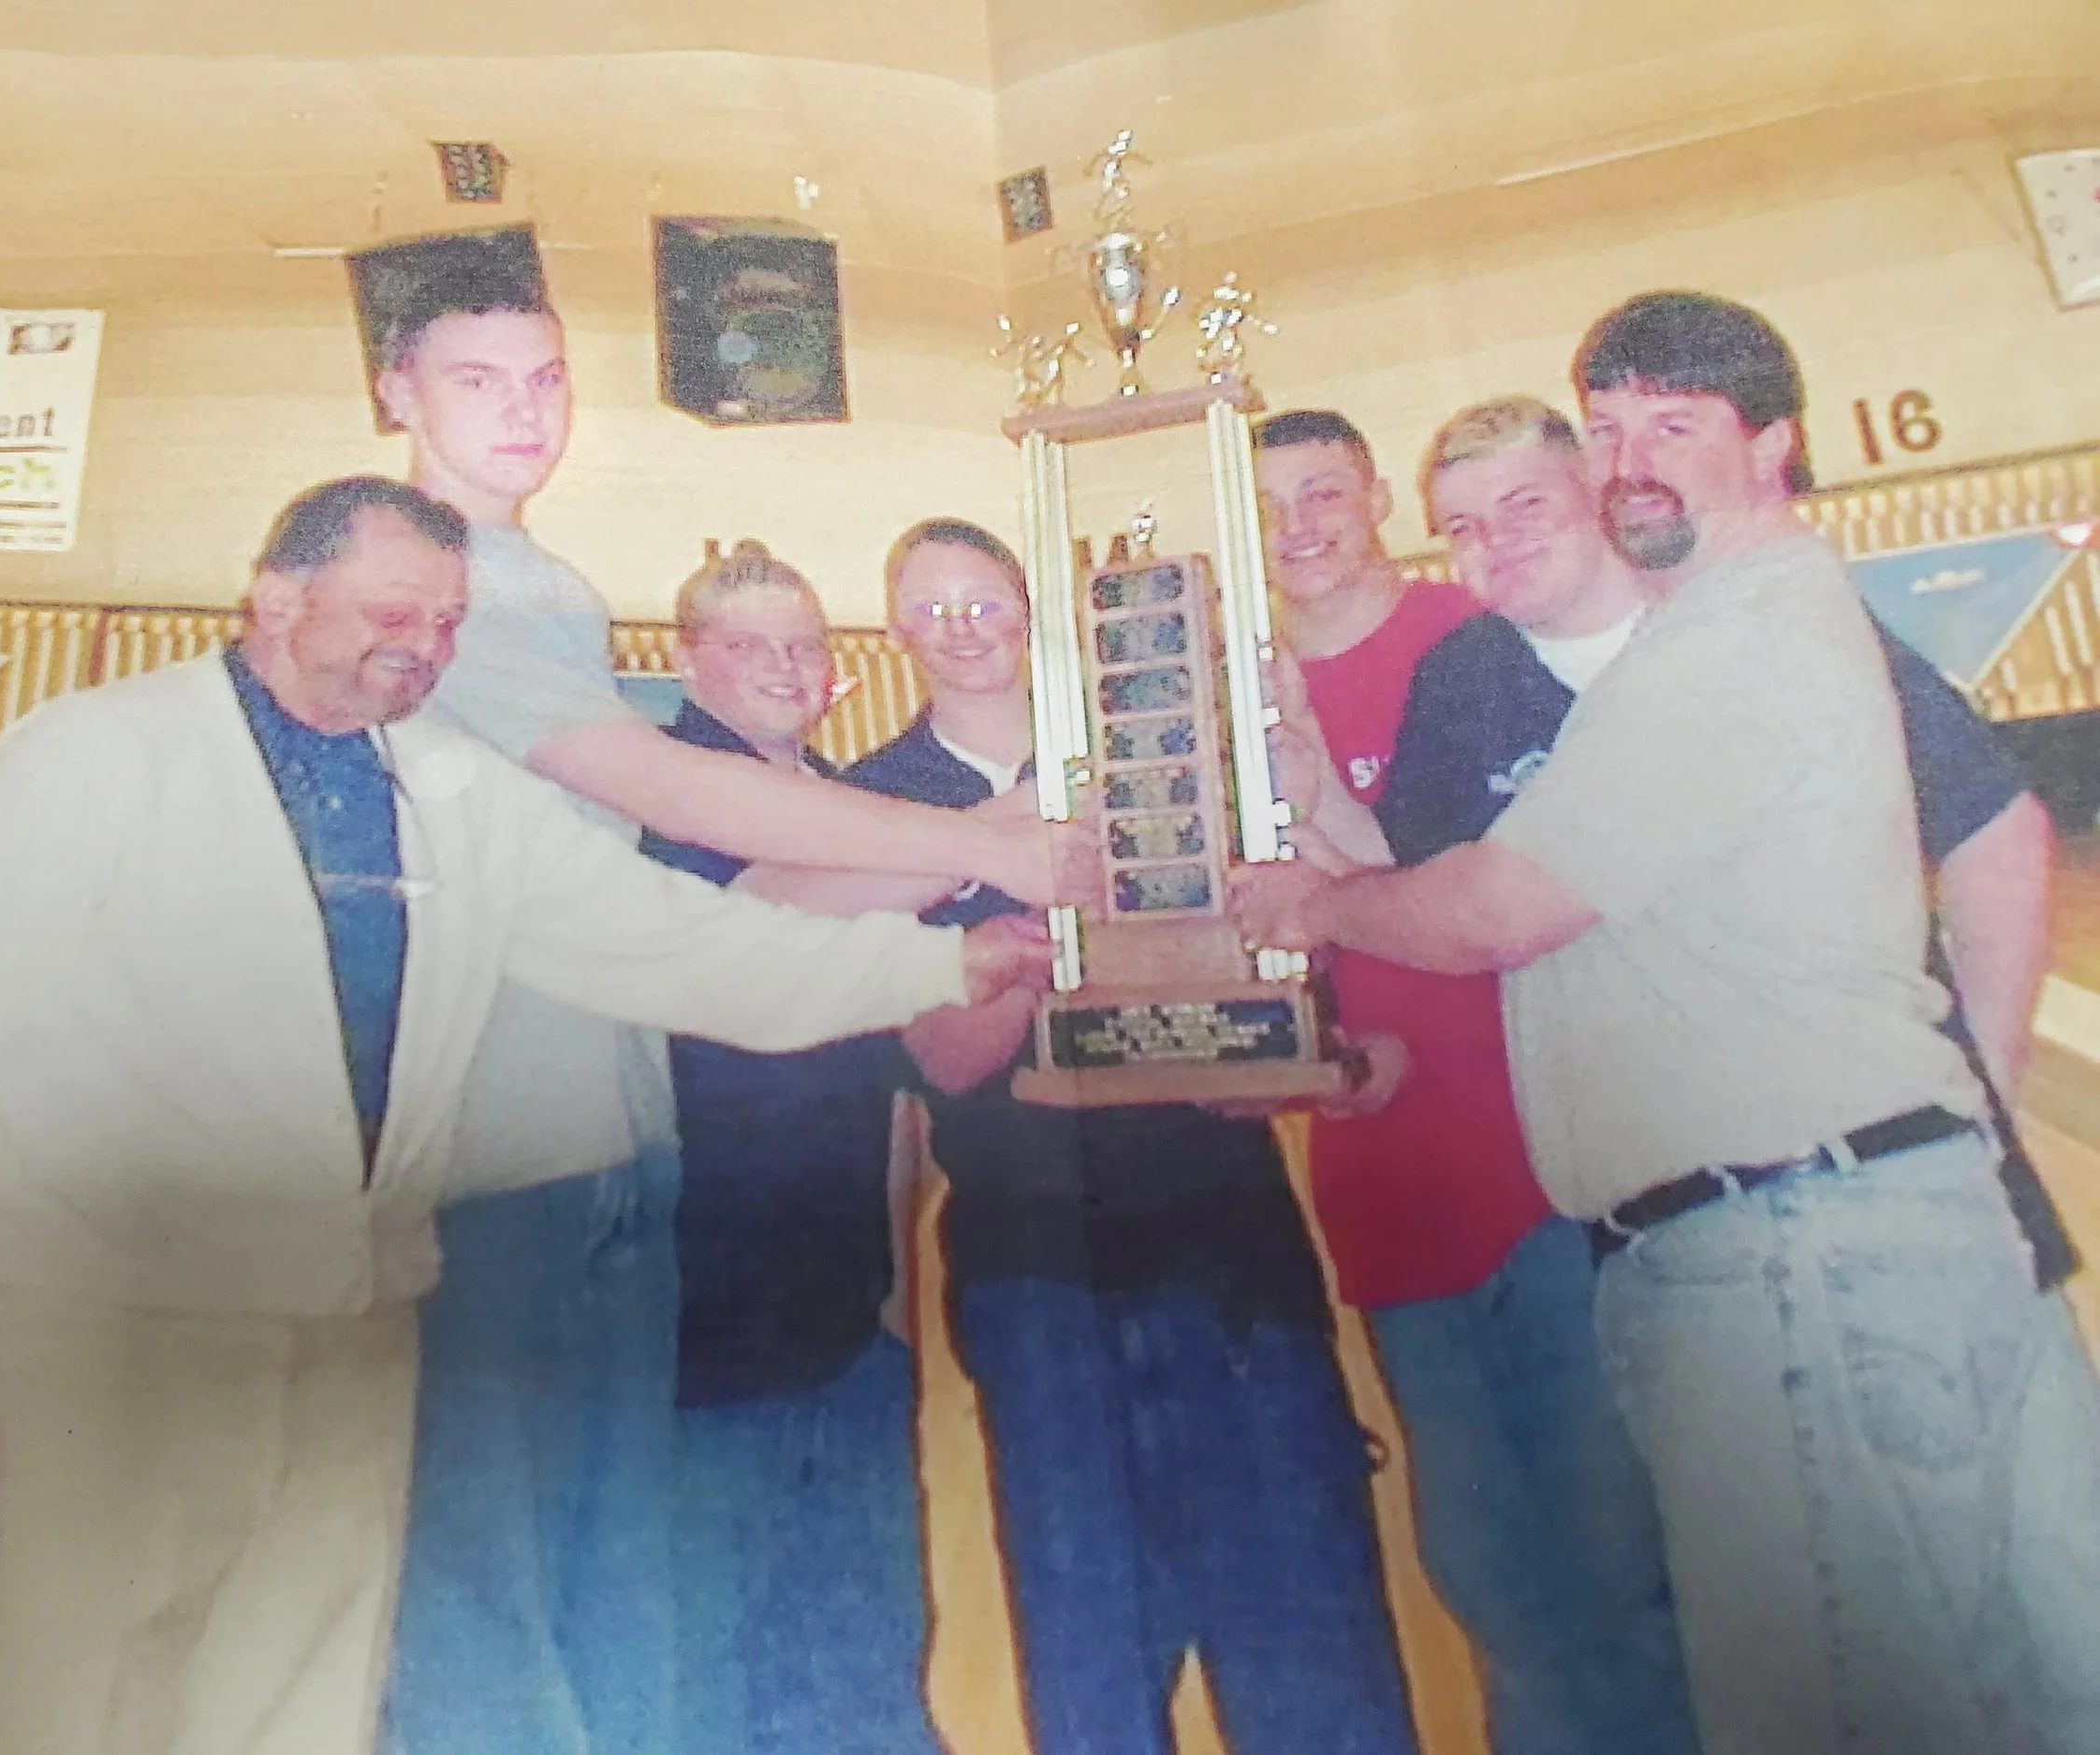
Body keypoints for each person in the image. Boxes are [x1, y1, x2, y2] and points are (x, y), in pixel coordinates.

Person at [0, 476, 1051, 1755]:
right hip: (105, 1354)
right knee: (52, 1717)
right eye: (395, 611)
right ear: (275, 600)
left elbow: (677, 947)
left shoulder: (451, 789)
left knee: (293, 1721)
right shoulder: (91, 760)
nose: (427, 645)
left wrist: (939, 967)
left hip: (349, 1355)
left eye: (448, 622)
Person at [1229, 293, 2100, 1755]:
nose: (1632, 461)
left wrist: (1978, 1117)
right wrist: (1315, 803)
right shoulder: (1531, 665)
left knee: (1840, 1700)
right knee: (2020, 1669)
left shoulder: (1731, 640)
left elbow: (1498, 908)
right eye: (1612, 426)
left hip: (1799, 1242)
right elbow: (1432, 878)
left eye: (1672, 426)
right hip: (1817, 1218)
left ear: (1774, 446)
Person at [365, 258, 1084, 1755]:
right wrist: (990, 838)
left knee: (630, 1638)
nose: (524, 411)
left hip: (623, 1187)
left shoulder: (552, 590)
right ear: (397, 393)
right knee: (516, 1638)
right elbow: (677, 811)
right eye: (478, 380)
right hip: (495, 1190)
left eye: (546, 378)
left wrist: (957, 941)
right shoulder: (430, 589)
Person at [844, 517, 1419, 1755]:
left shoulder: (1156, 755)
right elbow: (944, 1057)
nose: (964, 629)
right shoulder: (876, 806)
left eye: (986, 601)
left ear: (1032, 610)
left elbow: (1280, 967)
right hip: (1036, 1268)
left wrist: (1274, 1046)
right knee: (1092, 1651)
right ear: (896, 630)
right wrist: (1058, 932)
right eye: (934, 609)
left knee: (1313, 1629)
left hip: (1231, 1239)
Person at [1251, 404, 1694, 1755]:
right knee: (1489, 1573)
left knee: (1616, 1556)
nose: (1298, 526)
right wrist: (1294, 1056)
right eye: (1268, 505)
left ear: (1378, 499)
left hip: (1553, 1165)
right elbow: (1287, 923)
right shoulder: (1234, 692)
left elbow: (1481, 900)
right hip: (1391, 1187)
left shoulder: (1484, 636)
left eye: (1325, 492)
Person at [633, 540, 942, 1755]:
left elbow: (897, 1099)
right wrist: (994, 835)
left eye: (803, 644)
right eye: (749, 644)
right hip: (699, 1332)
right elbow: (752, 925)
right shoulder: (659, 802)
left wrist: (896, 1303)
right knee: (710, 1682)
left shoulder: (855, 810)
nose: (783, 666)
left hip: (845, 1321)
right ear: (687, 663)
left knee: (870, 1669)